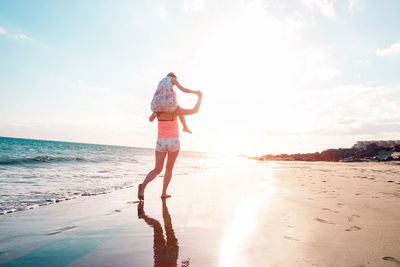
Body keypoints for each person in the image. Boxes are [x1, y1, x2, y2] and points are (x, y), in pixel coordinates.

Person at [138, 85, 202, 200]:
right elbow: (194, 110)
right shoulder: (175, 108)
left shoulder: (159, 107)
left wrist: (154, 113)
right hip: (173, 141)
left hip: (160, 142)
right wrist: (199, 97)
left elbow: (150, 119)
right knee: (169, 168)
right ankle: (163, 193)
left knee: (157, 169)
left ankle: (143, 186)